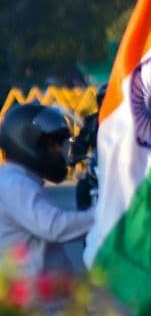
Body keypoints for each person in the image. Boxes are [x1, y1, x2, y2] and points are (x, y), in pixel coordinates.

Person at [0, 103, 96, 275]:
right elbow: (54, 227)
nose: (59, 151)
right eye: (52, 144)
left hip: (49, 296)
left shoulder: (22, 181)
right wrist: (106, 213)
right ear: (25, 142)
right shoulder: (14, 183)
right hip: (33, 299)